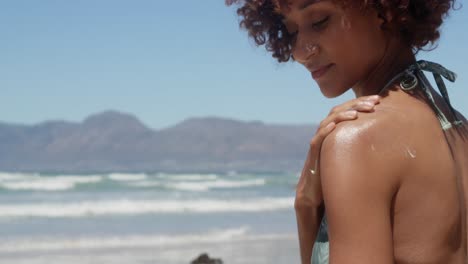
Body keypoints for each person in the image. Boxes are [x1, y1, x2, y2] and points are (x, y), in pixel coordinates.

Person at [226, 0, 468, 263]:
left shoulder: (358, 141)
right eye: (292, 31)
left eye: (319, 21)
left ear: (382, 10)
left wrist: (306, 213)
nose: (300, 51)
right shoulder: (460, 130)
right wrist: (306, 206)